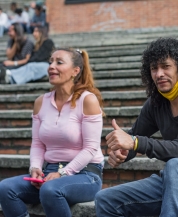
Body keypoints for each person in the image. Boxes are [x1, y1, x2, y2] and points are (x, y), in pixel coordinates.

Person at [95, 38, 178, 216]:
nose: (159, 73)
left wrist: (134, 143)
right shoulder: (156, 103)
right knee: (105, 199)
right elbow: (134, 137)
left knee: (176, 165)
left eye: (166, 66)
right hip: (174, 181)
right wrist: (122, 152)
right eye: (154, 68)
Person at [0, 47, 105, 217]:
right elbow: (37, 143)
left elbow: (91, 148)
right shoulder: (41, 102)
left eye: (59, 62)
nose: (51, 66)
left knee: (50, 190)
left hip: (85, 174)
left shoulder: (88, 100)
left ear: (75, 71)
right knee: (6, 188)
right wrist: (35, 167)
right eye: (50, 62)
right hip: (50, 173)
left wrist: (63, 173)